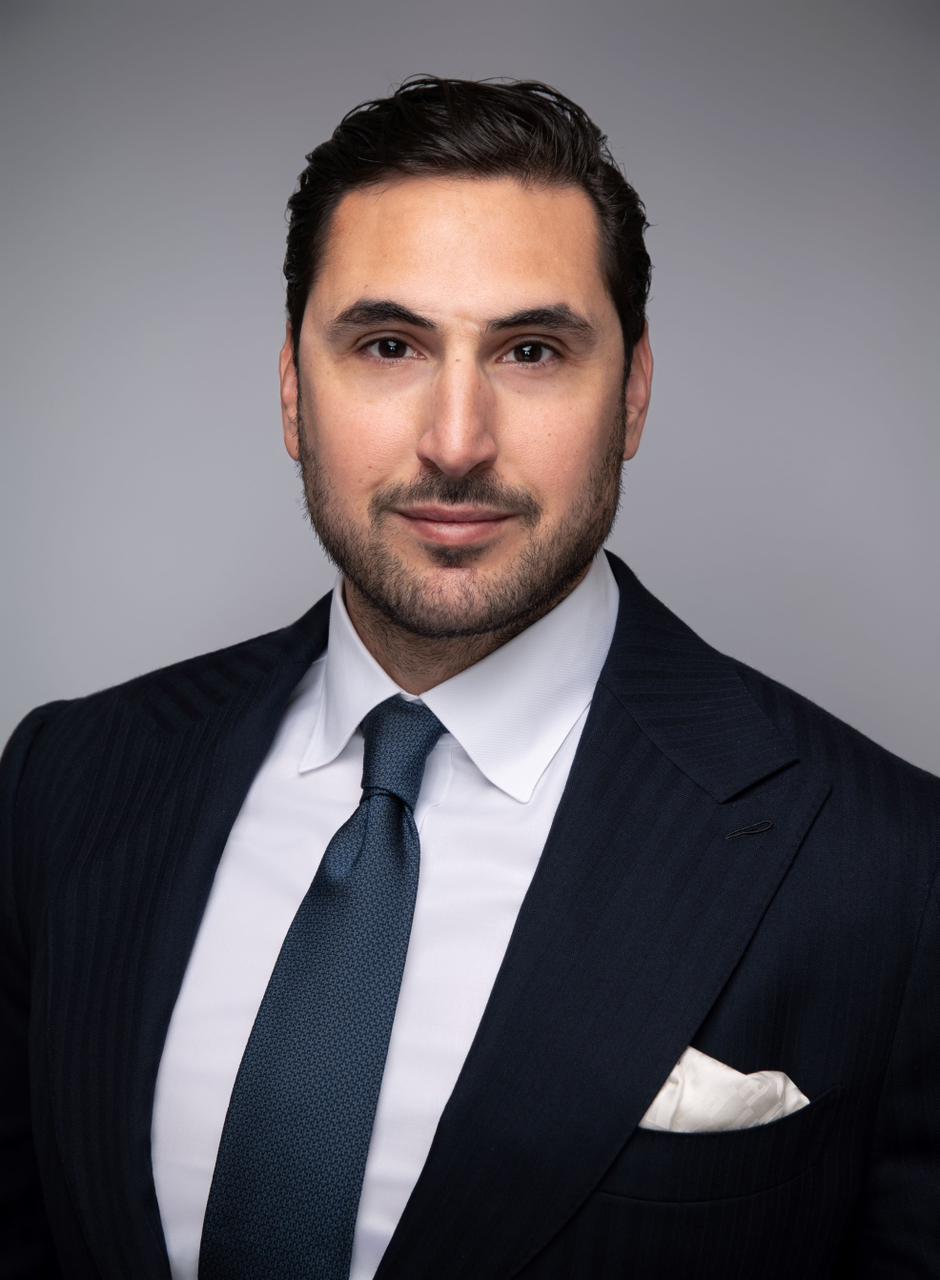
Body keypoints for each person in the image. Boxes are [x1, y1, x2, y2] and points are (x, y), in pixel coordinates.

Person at [1, 74, 937, 1280]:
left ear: (632, 395)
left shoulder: (891, 868)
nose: (456, 440)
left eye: (531, 350)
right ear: (292, 390)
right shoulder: (67, 780)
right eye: (388, 345)